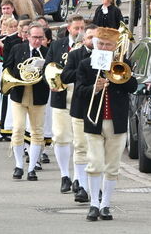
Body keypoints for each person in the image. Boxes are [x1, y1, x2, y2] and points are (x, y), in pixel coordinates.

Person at [73, 27, 137, 221]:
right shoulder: (86, 64)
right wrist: (95, 87)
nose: (103, 47)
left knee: (112, 166)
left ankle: (106, 205)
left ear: (114, 46)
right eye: (100, 43)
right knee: (95, 163)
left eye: (108, 44)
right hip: (94, 120)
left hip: (116, 122)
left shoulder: (123, 63)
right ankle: (93, 204)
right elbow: (79, 91)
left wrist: (118, 77)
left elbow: (132, 87)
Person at [3, 22, 49, 181]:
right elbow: (7, 67)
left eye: (40, 38)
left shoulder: (46, 52)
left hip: (38, 96)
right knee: (18, 128)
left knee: (37, 131)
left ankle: (31, 169)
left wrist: (42, 73)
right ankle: (18, 165)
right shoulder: (18, 49)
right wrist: (20, 75)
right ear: (27, 36)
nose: (37, 41)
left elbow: (50, 76)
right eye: (35, 37)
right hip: (19, 94)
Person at [44, 14, 84, 193]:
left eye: (82, 28)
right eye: (77, 28)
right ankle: (64, 176)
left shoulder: (87, 47)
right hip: (60, 96)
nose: (80, 32)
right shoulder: (57, 45)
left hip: (81, 97)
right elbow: (47, 67)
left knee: (79, 140)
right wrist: (51, 83)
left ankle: (77, 178)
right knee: (60, 137)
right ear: (69, 28)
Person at [61, 23, 96, 202]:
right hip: (80, 106)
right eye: (89, 37)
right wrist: (82, 71)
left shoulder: (106, 56)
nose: (93, 41)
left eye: (96, 37)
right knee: (81, 147)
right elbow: (65, 77)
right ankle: (82, 186)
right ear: (83, 40)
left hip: (99, 108)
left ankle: (95, 186)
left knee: (96, 151)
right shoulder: (75, 55)